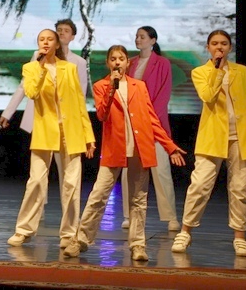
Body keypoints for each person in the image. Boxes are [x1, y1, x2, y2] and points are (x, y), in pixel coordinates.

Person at [64, 45, 186, 262]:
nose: (117, 62)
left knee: (138, 199)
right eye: (113, 59)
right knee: (98, 195)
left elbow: (152, 119)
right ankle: (80, 240)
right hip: (114, 148)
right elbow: (102, 114)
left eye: (121, 58)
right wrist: (112, 89)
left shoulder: (139, 86)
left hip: (140, 148)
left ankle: (138, 244)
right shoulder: (101, 86)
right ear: (108, 63)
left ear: (128, 62)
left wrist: (169, 145)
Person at [171, 30, 246, 257]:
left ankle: (240, 237)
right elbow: (207, 96)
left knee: (241, 189)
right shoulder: (200, 72)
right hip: (212, 137)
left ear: (230, 47)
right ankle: (185, 232)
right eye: (214, 43)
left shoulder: (242, 71)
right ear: (208, 48)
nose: (219, 47)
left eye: (223, 43)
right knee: (199, 186)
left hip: (241, 138)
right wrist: (216, 70)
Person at [0, 18, 91, 228]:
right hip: (42, 120)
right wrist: (8, 112)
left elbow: (80, 97)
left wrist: (85, 132)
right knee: (38, 176)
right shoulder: (36, 59)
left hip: (68, 126)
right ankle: (34, 215)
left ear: (70, 37)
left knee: (69, 177)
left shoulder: (76, 63)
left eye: (65, 31)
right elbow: (26, 87)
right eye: (59, 30)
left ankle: (69, 223)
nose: (61, 33)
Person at [121, 26, 180, 232]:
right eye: (137, 36)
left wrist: (148, 118)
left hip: (154, 124)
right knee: (128, 172)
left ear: (153, 40)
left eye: (142, 37)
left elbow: (163, 95)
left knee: (161, 171)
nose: (138, 39)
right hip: (131, 124)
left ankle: (171, 217)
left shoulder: (162, 63)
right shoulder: (131, 63)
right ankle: (129, 214)